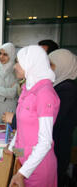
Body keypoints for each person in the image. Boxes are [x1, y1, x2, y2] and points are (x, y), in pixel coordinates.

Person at [7, 45, 60, 187]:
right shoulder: (28, 88)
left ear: (30, 64)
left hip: (38, 169)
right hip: (24, 163)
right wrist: (11, 150)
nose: (15, 67)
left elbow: (45, 142)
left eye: (18, 62)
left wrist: (22, 173)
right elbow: (22, 131)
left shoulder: (45, 93)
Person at [49, 49, 77, 187]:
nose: (49, 69)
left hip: (59, 145)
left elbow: (54, 118)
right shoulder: (58, 84)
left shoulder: (67, 88)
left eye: (52, 65)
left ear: (63, 65)